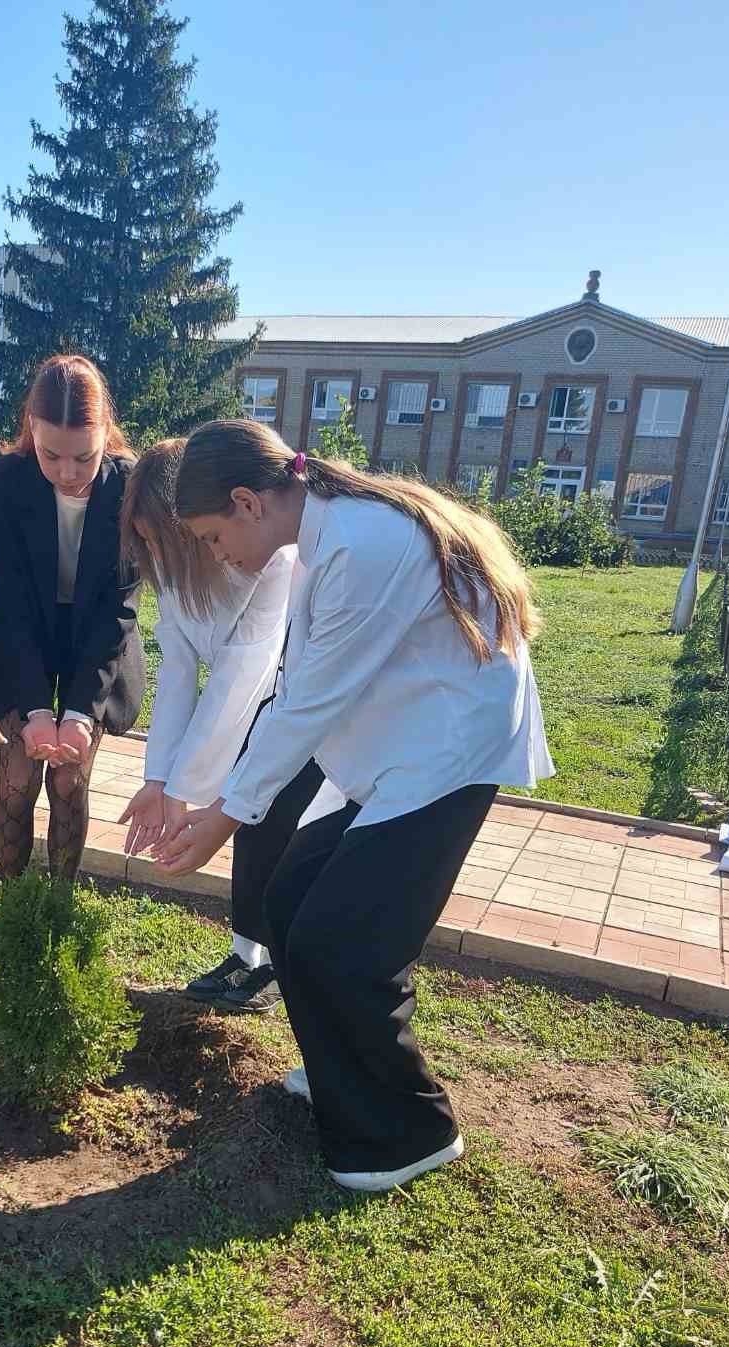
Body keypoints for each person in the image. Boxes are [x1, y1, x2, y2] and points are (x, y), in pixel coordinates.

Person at [156, 419, 553, 1193]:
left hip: (448, 753)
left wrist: (224, 817)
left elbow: (307, 705)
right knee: (291, 900)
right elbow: (299, 694)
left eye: (209, 537)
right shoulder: (325, 535)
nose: (216, 555)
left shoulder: (360, 544)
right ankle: (341, 1079)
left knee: (347, 943)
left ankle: (410, 1131)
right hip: (402, 748)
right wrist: (223, 799)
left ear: (245, 502)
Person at [116, 437, 311, 1014]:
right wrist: (158, 781)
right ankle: (245, 955)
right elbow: (178, 674)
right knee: (250, 832)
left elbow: (237, 680)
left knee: (273, 832)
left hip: (293, 713)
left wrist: (184, 792)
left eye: (160, 541)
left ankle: (274, 965)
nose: (152, 558)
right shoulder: (177, 579)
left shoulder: (268, 561)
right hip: (251, 713)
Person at [0, 354, 143, 880]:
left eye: (84, 457)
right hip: (25, 637)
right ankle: (13, 907)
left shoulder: (129, 488)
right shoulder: (4, 483)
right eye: (52, 456)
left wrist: (77, 713)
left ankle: (58, 904)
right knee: (19, 779)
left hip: (97, 645)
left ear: (105, 434)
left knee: (69, 779)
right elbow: (8, 605)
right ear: (31, 426)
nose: (68, 473)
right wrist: (33, 707)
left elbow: (118, 609)